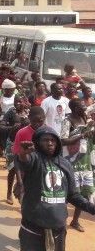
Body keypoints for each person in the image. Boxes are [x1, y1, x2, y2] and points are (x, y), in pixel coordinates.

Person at [16, 125, 95, 251]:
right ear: (37, 142)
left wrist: (91, 208)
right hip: (33, 231)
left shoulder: (65, 164)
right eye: (45, 140)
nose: (50, 143)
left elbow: (73, 195)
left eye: (53, 140)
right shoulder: (34, 159)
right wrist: (23, 154)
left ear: (58, 143)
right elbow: (24, 162)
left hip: (58, 230)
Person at [59, 98, 94, 233]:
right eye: (82, 106)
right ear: (75, 109)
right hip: (70, 162)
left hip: (84, 160)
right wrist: (81, 135)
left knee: (83, 194)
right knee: (68, 193)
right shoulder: (67, 121)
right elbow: (63, 140)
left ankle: (75, 221)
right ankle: (60, 220)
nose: (85, 108)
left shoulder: (84, 118)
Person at [0, 94, 29, 205]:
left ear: (25, 102)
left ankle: (21, 192)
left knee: (25, 170)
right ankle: (9, 193)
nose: (17, 104)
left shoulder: (29, 112)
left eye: (20, 102)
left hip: (26, 144)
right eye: (16, 102)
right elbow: (0, 127)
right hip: (12, 143)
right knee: (13, 169)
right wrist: (12, 128)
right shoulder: (11, 112)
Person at [0, 79, 17, 158]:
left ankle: (8, 150)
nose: (13, 91)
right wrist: (2, 94)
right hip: (3, 119)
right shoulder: (1, 98)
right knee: (2, 135)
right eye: (12, 90)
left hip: (13, 119)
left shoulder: (15, 97)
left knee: (10, 135)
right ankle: (2, 149)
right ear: (7, 90)